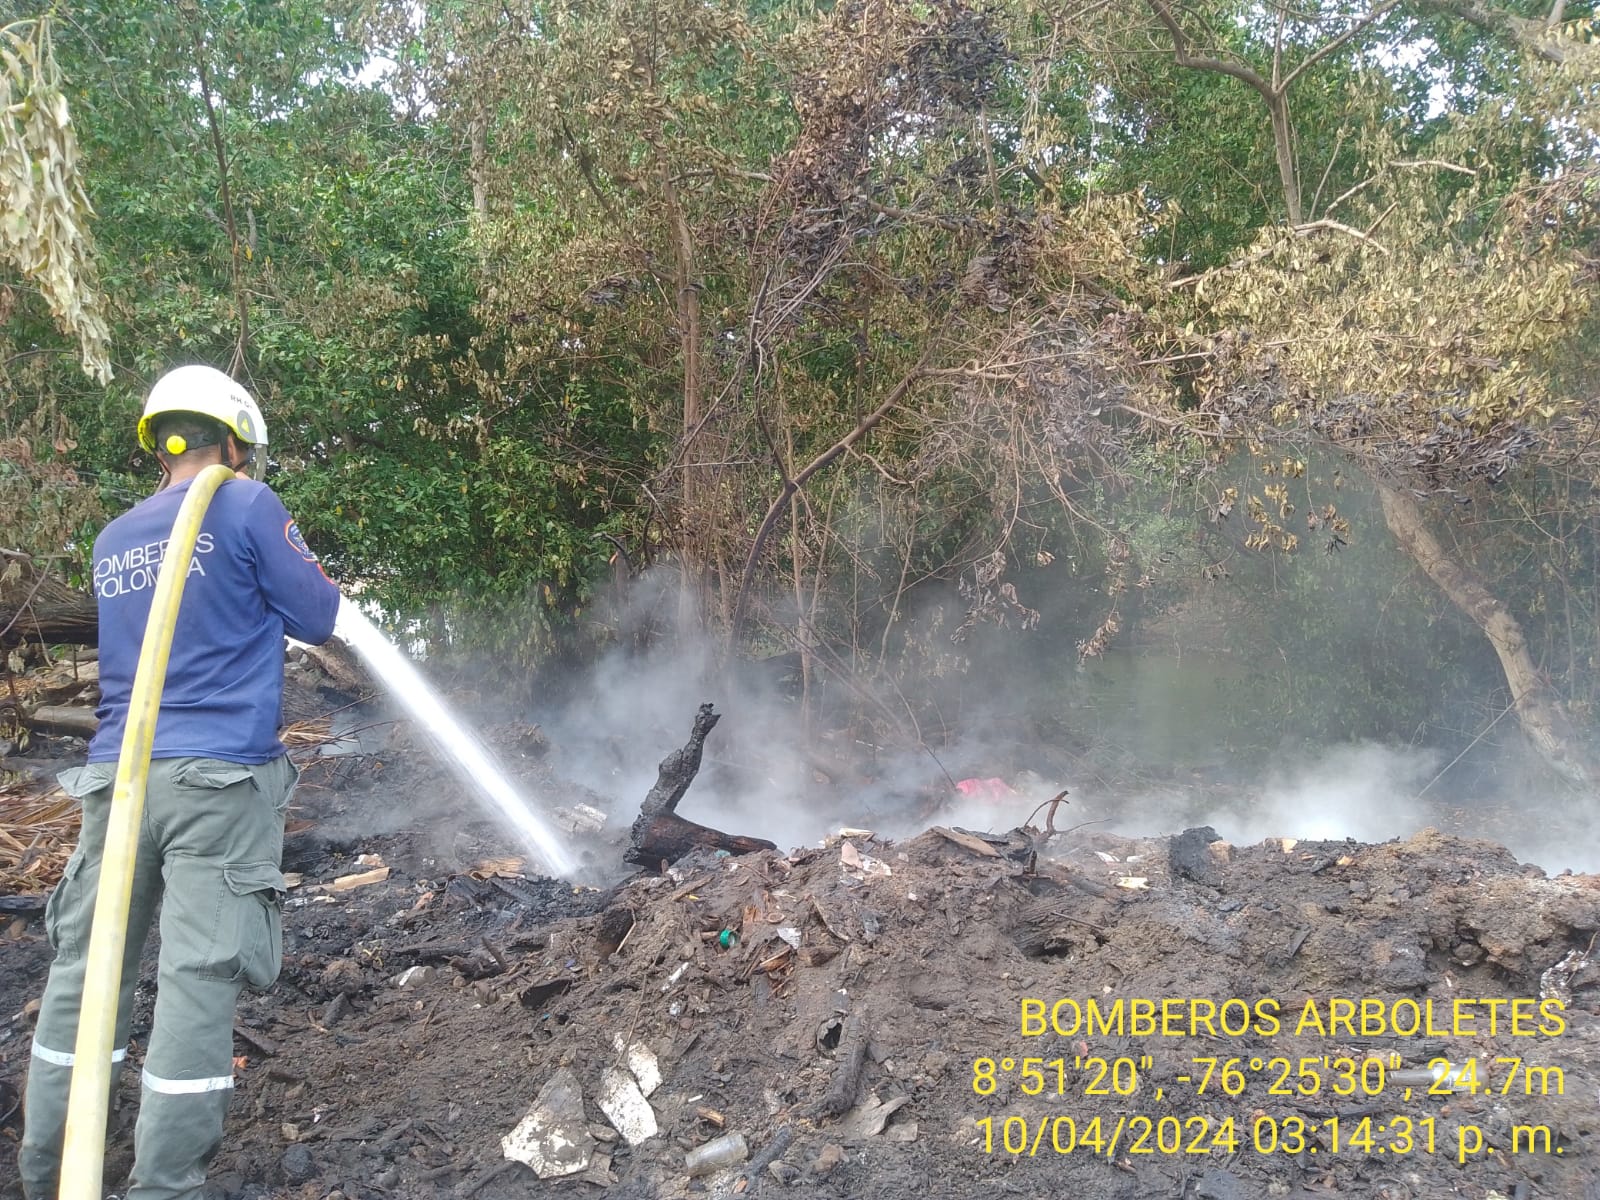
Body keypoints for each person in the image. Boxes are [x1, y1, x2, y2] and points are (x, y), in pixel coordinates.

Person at [19, 365, 341, 1200]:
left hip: (116, 784)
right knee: (197, 978)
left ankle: (48, 1169)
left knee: (87, 973)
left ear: (160, 438)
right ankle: (163, 1185)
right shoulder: (244, 503)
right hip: (217, 783)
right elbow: (317, 613)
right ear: (234, 440)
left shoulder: (114, 536)